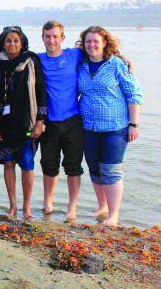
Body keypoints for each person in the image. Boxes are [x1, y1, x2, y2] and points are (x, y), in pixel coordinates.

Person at [76, 26, 142, 227]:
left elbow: (134, 95)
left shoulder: (116, 65)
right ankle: (102, 207)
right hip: (88, 127)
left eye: (96, 41)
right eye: (88, 41)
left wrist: (134, 124)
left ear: (104, 43)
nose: (92, 45)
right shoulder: (81, 65)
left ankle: (113, 215)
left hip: (115, 127)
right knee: (95, 169)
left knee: (111, 170)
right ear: (84, 44)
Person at [0, 26, 47, 219]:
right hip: (4, 125)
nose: (12, 43)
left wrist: (40, 121)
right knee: (9, 164)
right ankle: (13, 206)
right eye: (8, 40)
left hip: (27, 124)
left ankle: (27, 207)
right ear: (2, 43)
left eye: (15, 40)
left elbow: (41, 92)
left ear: (22, 43)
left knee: (27, 164)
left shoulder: (32, 61)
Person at [38, 21, 84, 220]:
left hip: (73, 120)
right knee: (49, 164)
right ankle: (48, 202)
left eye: (55, 36)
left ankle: (72, 207)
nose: (51, 40)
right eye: (48, 36)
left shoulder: (74, 55)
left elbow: (100, 52)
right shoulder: (37, 59)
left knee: (73, 166)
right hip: (49, 122)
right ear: (42, 37)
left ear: (62, 38)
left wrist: (123, 59)